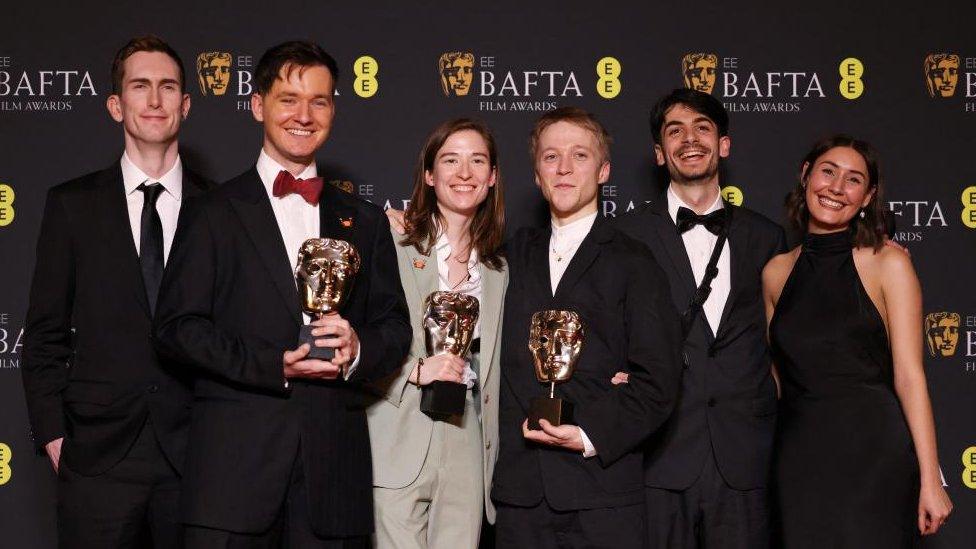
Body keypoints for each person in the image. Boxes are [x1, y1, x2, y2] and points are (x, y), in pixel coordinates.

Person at [152, 40, 411, 547]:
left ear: (334, 109)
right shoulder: (211, 212)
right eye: (288, 98)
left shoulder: (362, 220)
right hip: (231, 483)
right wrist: (275, 364)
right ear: (257, 105)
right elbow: (175, 329)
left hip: (333, 482)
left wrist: (358, 348)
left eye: (319, 100)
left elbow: (395, 328)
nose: (303, 115)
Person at [20, 35, 211, 548]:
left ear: (185, 105)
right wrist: (55, 436)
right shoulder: (71, 206)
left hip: (194, 454)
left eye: (168, 87)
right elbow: (43, 335)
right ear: (115, 105)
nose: (154, 100)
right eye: (140, 86)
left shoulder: (221, 210)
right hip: (96, 457)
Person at [491, 107, 682, 548]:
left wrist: (587, 433)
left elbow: (659, 379)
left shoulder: (635, 261)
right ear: (536, 174)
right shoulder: (509, 255)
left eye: (579, 156)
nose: (563, 168)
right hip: (521, 496)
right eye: (550, 157)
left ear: (603, 171)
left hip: (603, 496)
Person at [614, 88, 785, 548]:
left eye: (702, 128)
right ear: (658, 153)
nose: (690, 140)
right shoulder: (624, 236)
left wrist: (874, 247)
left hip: (744, 458)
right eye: (675, 131)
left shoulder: (768, 237)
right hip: (658, 453)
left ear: (724, 144)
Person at [762, 135, 952, 547]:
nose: (835, 187)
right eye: (828, 172)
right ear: (805, 175)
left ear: (867, 197)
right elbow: (774, 379)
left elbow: (910, 376)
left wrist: (930, 479)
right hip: (800, 456)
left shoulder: (889, 262)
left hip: (874, 454)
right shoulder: (775, 272)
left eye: (853, 180)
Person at [366, 118, 506, 548]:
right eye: (450, 160)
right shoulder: (391, 241)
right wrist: (415, 370)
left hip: (467, 440)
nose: (464, 173)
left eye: (477, 160)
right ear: (429, 175)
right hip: (398, 434)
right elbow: (357, 335)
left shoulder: (500, 271)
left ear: (492, 177)